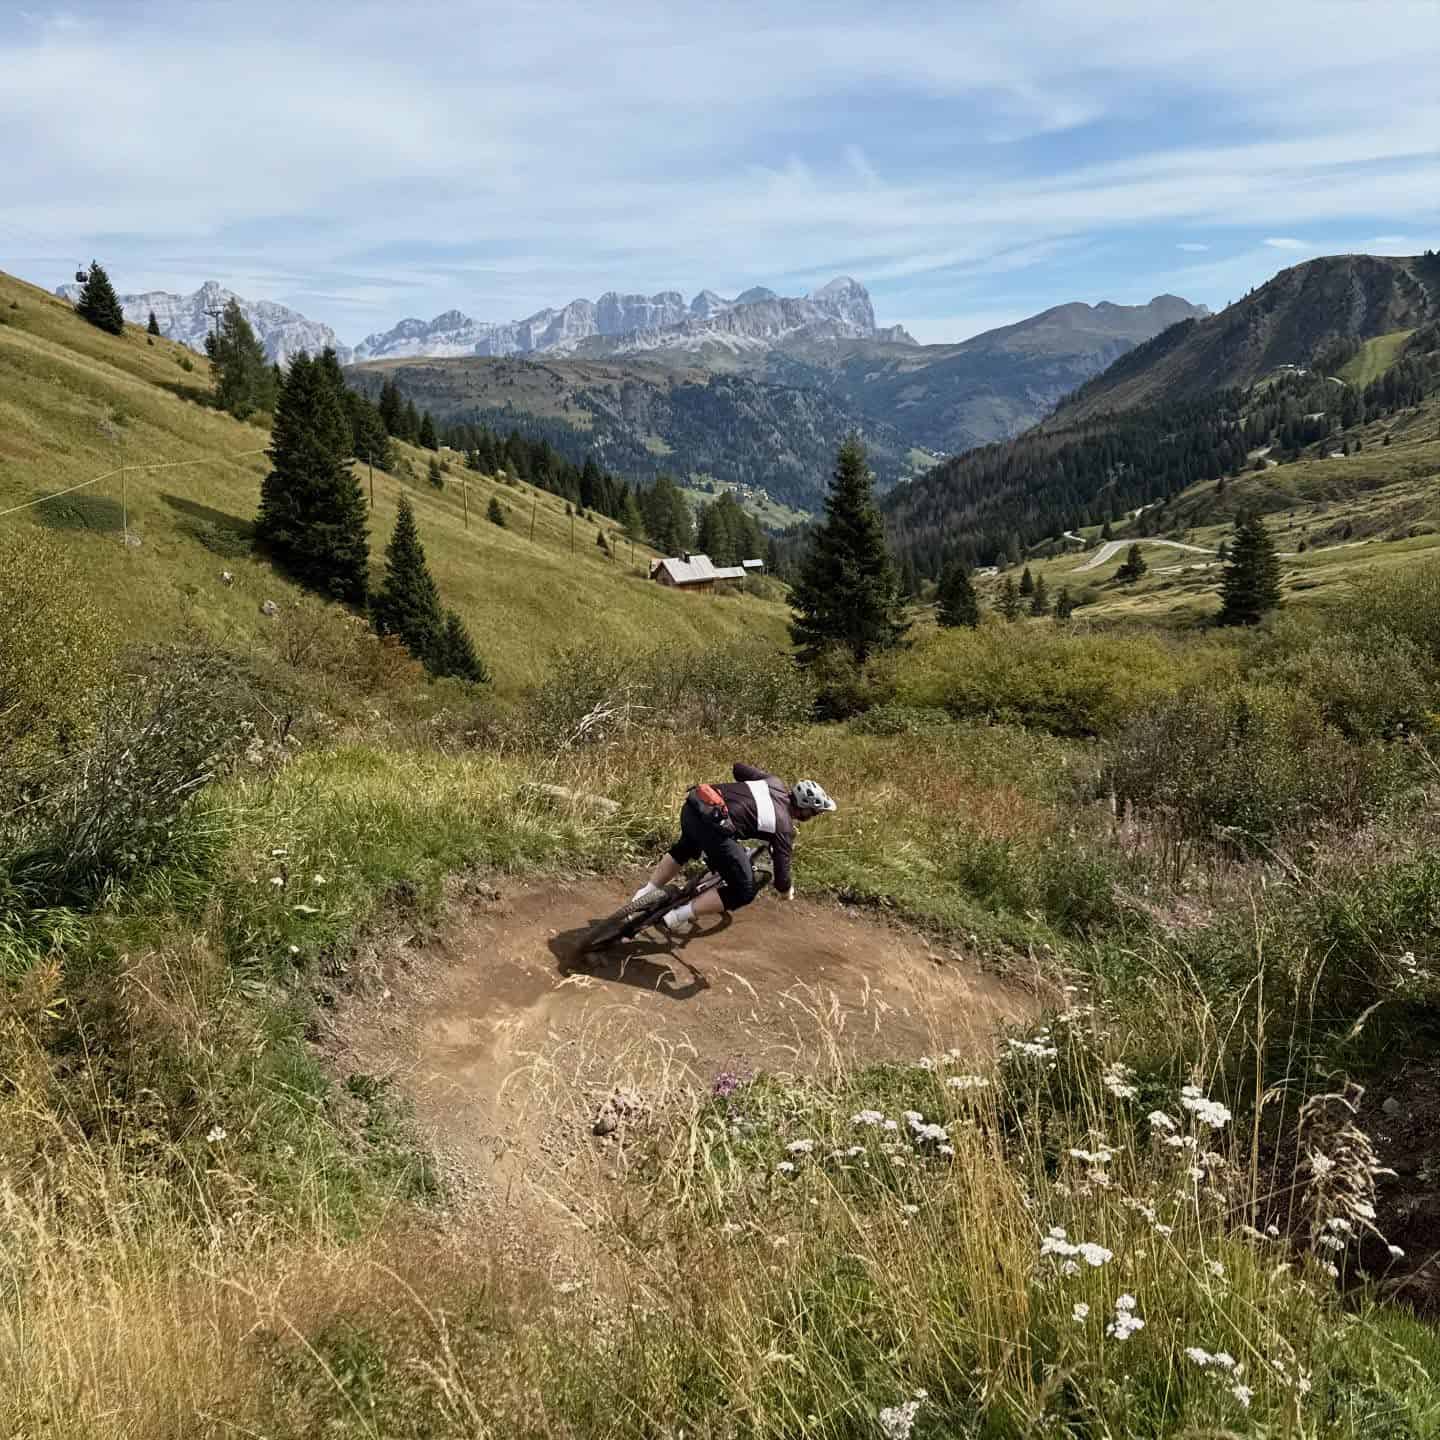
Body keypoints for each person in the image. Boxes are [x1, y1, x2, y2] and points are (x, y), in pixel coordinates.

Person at [628, 764, 837, 937]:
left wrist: (753, 785)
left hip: (694, 806)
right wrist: (786, 891)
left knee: (686, 846)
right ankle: (675, 918)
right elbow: (781, 878)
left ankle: (645, 893)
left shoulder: (772, 782)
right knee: (743, 891)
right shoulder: (784, 827)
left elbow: (738, 768)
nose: (814, 816)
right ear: (805, 810)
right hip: (715, 831)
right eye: (814, 813)